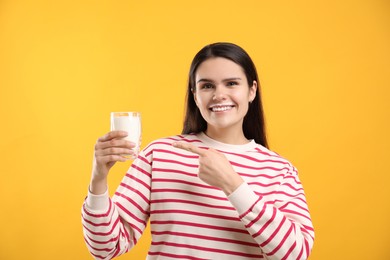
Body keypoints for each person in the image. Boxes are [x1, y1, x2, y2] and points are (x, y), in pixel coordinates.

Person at [81, 42, 315, 259]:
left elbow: (295, 254)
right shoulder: (160, 154)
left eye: (232, 83)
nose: (219, 94)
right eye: (207, 86)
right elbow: (106, 248)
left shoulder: (279, 170)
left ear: (252, 90)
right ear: (195, 94)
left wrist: (232, 184)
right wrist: (98, 178)